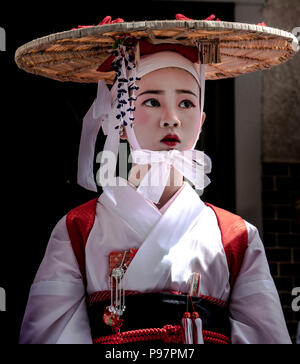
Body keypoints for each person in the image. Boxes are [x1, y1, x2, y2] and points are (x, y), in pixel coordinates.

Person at [16, 15, 298, 344]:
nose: (172, 119)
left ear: (201, 119)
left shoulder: (237, 238)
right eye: (152, 101)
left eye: (187, 103)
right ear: (119, 118)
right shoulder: (77, 230)